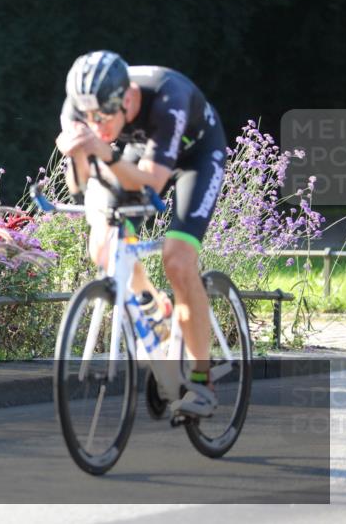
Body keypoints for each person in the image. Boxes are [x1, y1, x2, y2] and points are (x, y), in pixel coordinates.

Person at [55, 50, 226, 417]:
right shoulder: (80, 107)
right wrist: (78, 155)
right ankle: (156, 308)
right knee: (102, 243)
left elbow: (151, 183)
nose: (95, 125)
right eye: (89, 118)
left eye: (103, 117)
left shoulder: (168, 98)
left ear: (128, 99)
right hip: (142, 148)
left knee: (178, 260)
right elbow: (78, 185)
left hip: (197, 155)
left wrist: (105, 153)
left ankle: (201, 379)